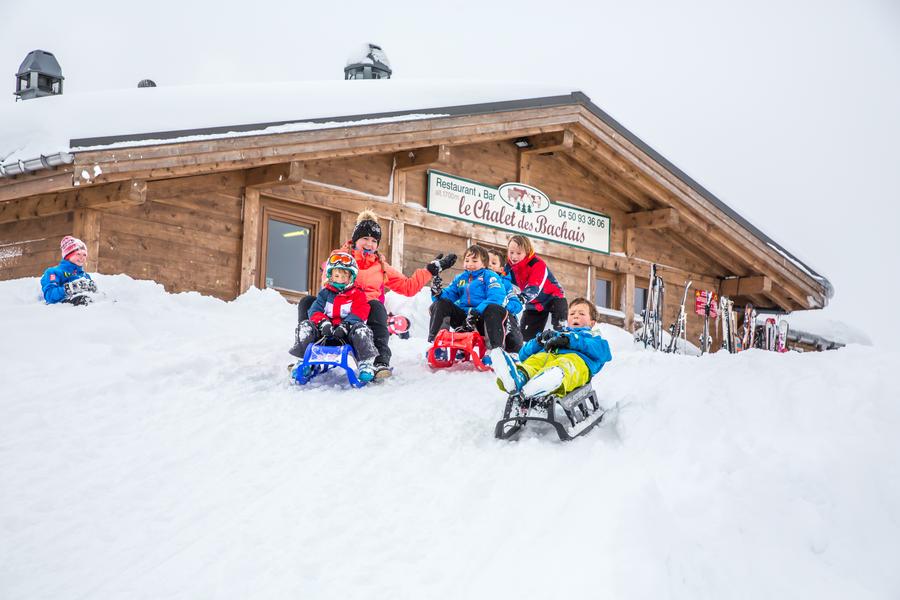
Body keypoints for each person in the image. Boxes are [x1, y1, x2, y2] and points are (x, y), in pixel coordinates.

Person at [291, 209, 457, 379]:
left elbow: (408, 287)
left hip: (363, 316)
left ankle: (379, 361)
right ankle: (306, 354)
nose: (369, 244)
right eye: (365, 238)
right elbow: (327, 286)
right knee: (307, 302)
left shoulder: (381, 267)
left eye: (374, 241)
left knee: (376, 306)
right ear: (355, 239)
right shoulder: (339, 259)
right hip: (335, 311)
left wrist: (431, 270)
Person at [493, 297, 612, 399]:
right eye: (572, 314)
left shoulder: (593, 337)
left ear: (592, 322)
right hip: (547, 360)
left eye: (581, 314)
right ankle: (518, 378)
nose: (576, 316)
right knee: (535, 360)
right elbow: (523, 355)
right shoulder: (556, 335)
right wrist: (538, 342)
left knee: (566, 362)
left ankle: (550, 379)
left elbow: (603, 353)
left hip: (575, 366)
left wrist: (570, 340)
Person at [290, 252, 379, 382]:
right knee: (305, 326)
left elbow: (360, 311)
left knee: (361, 330)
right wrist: (323, 323)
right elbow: (315, 310)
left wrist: (346, 325)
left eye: (344, 276)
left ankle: (366, 364)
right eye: (337, 276)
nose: (340, 280)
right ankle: (303, 362)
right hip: (325, 334)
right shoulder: (325, 294)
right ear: (331, 276)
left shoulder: (357, 294)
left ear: (351, 277)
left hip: (348, 335)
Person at [428, 244, 509, 366]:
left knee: (494, 308)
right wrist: (437, 292)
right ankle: (439, 345)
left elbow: (496, 297)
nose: (470, 263)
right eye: (467, 260)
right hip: (465, 321)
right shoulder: (460, 278)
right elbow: (447, 296)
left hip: (483, 320)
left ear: (484, 264)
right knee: (441, 303)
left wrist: (477, 311)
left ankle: (493, 352)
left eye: (474, 261)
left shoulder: (490, 276)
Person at [505, 234, 567, 342]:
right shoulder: (509, 267)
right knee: (525, 339)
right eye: (511, 252)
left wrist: (522, 298)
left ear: (527, 252)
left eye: (518, 253)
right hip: (534, 305)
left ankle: (562, 339)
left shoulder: (537, 264)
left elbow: (534, 286)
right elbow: (503, 281)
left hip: (553, 298)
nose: (514, 257)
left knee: (559, 329)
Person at [40, 236, 98, 306]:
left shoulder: (85, 275)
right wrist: (69, 288)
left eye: (84, 255)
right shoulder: (54, 272)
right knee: (83, 300)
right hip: (63, 308)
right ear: (68, 255)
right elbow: (49, 295)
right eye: (78, 254)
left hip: (87, 307)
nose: (82, 257)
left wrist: (93, 289)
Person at [487, 248, 524, 354]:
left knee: (515, 342)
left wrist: (506, 307)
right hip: (481, 314)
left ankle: (511, 351)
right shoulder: (476, 280)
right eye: (486, 261)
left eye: (493, 263)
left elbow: (516, 303)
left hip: (502, 314)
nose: (489, 265)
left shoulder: (505, 285)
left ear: (501, 269)